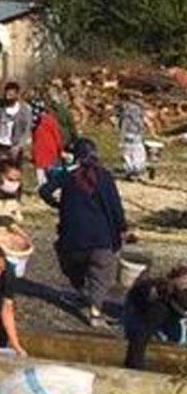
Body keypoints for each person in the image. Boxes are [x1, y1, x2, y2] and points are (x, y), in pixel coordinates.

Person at [39, 138, 127, 326]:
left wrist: (58, 204)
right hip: (101, 236)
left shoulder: (68, 175)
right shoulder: (104, 176)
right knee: (100, 275)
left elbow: (45, 190)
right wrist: (122, 228)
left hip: (73, 235)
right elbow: (115, 207)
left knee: (73, 266)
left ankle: (81, 292)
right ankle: (95, 312)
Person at [123, 264, 187, 370]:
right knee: (140, 331)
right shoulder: (159, 303)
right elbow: (141, 334)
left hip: (171, 300)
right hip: (142, 303)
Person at [0, 82, 34, 163]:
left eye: (11, 95)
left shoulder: (25, 110)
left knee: (12, 172)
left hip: (14, 145)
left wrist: (19, 146)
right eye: (6, 94)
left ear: (17, 95)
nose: (8, 98)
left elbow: (27, 130)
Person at [29, 101, 65, 188]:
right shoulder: (48, 120)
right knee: (47, 170)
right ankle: (49, 187)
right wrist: (60, 149)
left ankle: (45, 187)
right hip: (46, 150)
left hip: (43, 150)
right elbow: (57, 136)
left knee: (43, 169)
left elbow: (56, 136)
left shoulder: (39, 120)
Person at [116, 98, 152, 182]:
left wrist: (120, 136)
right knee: (137, 153)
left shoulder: (126, 112)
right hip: (136, 135)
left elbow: (122, 125)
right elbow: (145, 124)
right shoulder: (138, 113)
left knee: (127, 153)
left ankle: (130, 171)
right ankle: (136, 170)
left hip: (127, 135)